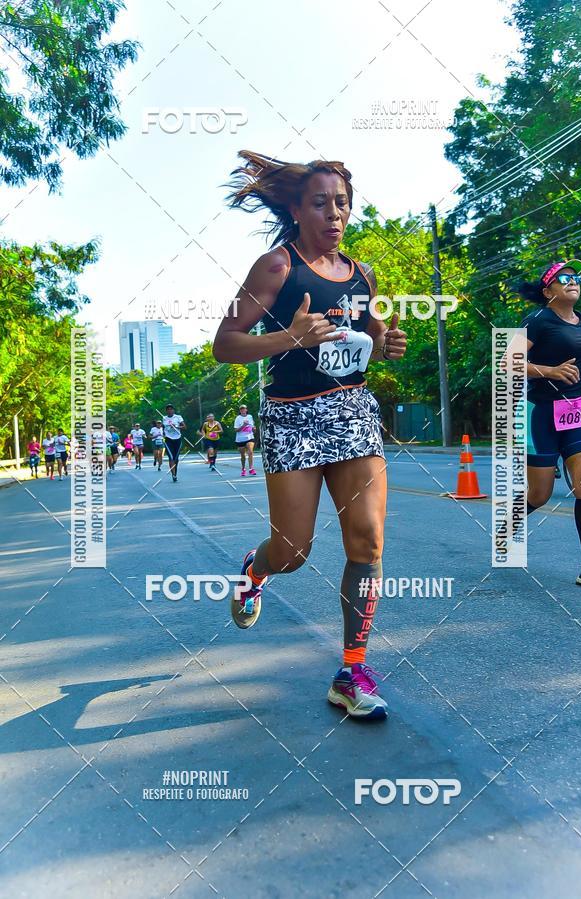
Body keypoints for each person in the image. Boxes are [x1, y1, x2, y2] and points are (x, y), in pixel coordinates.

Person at [213, 151, 406, 719]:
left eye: (342, 204)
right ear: (297, 209)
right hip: (293, 416)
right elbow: (225, 343)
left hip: (351, 411)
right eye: (320, 203)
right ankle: (256, 569)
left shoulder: (364, 274)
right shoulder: (275, 268)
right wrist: (288, 339)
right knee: (293, 552)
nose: (334, 214)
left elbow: (369, 337)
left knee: (367, 541)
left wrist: (388, 345)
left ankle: (352, 670)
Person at [519, 260, 581, 588]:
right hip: (542, 413)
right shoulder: (537, 321)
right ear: (548, 290)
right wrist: (549, 372)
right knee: (540, 494)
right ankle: (508, 524)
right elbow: (508, 362)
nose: (573, 281)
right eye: (564, 277)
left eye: (576, 277)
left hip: (578, 412)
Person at [162, 404, 185, 482]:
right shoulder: (164, 418)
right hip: (168, 439)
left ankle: (175, 472)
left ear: (173, 410)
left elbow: (184, 427)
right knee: (171, 457)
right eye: (168, 409)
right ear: (166, 411)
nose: (170, 410)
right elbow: (162, 428)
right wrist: (163, 434)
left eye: (171, 409)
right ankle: (173, 475)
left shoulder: (178, 417)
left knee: (176, 458)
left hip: (177, 439)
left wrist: (176, 426)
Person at [234, 404, 257, 476]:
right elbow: (236, 430)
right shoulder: (238, 418)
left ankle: (251, 469)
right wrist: (243, 425)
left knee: (250, 452)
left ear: (246, 410)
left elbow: (253, 428)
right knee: (243, 456)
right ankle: (243, 469)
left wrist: (254, 429)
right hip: (240, 439)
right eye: (241, 409)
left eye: (244, 409)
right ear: (240, 411)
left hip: (249, 437)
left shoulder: (250, 417)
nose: (243, 410)